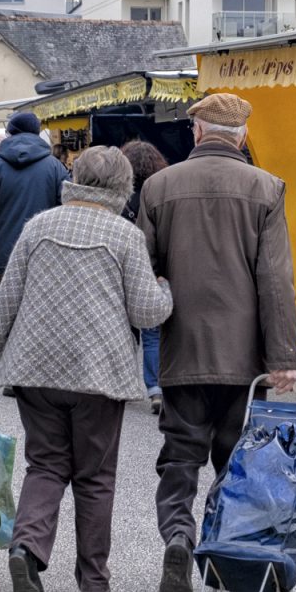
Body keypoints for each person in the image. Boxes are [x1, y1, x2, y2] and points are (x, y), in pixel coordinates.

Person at [0, 147, 173, 592]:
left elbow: (7, 301)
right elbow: (146, 312)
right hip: (99, 374)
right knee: (95, 476)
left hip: (36, 371)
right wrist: (165, 290)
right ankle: (93, 580)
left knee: (46, 465)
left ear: (73, 177)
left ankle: (27, 549)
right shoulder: (124, 236)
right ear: (124, 188)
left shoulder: (38, 226)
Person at [137, 92, 296, 592]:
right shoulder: (266, 188)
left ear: (198, 133)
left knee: (180, 459)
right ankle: (224, 560)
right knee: (237, 465)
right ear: (243, 136)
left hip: (182, 353)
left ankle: (179, 538)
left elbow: (143, 274)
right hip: (244, 360)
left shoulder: (158, 187)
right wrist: (283, 358)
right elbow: (276, 281)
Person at [0, 112, 69, 282]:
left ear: (11, 132)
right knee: (40, 306)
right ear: (37, 132)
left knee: (9, 306)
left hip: (5, 251)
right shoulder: (55, 168)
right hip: (45, 250)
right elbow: (68, 208)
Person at [120, 140, 169, 416]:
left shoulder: (119, 195)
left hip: (123, 270)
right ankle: (156, 389)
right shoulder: (161, 191)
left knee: (125, 332)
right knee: (153, 334)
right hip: (152, 269)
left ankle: (123, 384)